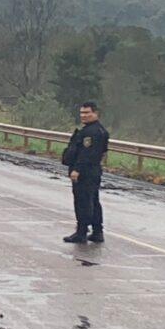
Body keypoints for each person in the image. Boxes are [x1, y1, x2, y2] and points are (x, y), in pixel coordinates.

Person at [63, 102, 110, 244]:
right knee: (93, 200)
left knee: (83, 201)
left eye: (87, 113)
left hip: (85, 171)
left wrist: (77, 169)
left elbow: (86, 153)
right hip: (94, 170)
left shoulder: (91, 132)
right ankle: (97, 231)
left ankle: (81, 232)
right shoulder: (100, 130)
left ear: (96, 113)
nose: (83, 116)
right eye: (82, 113)